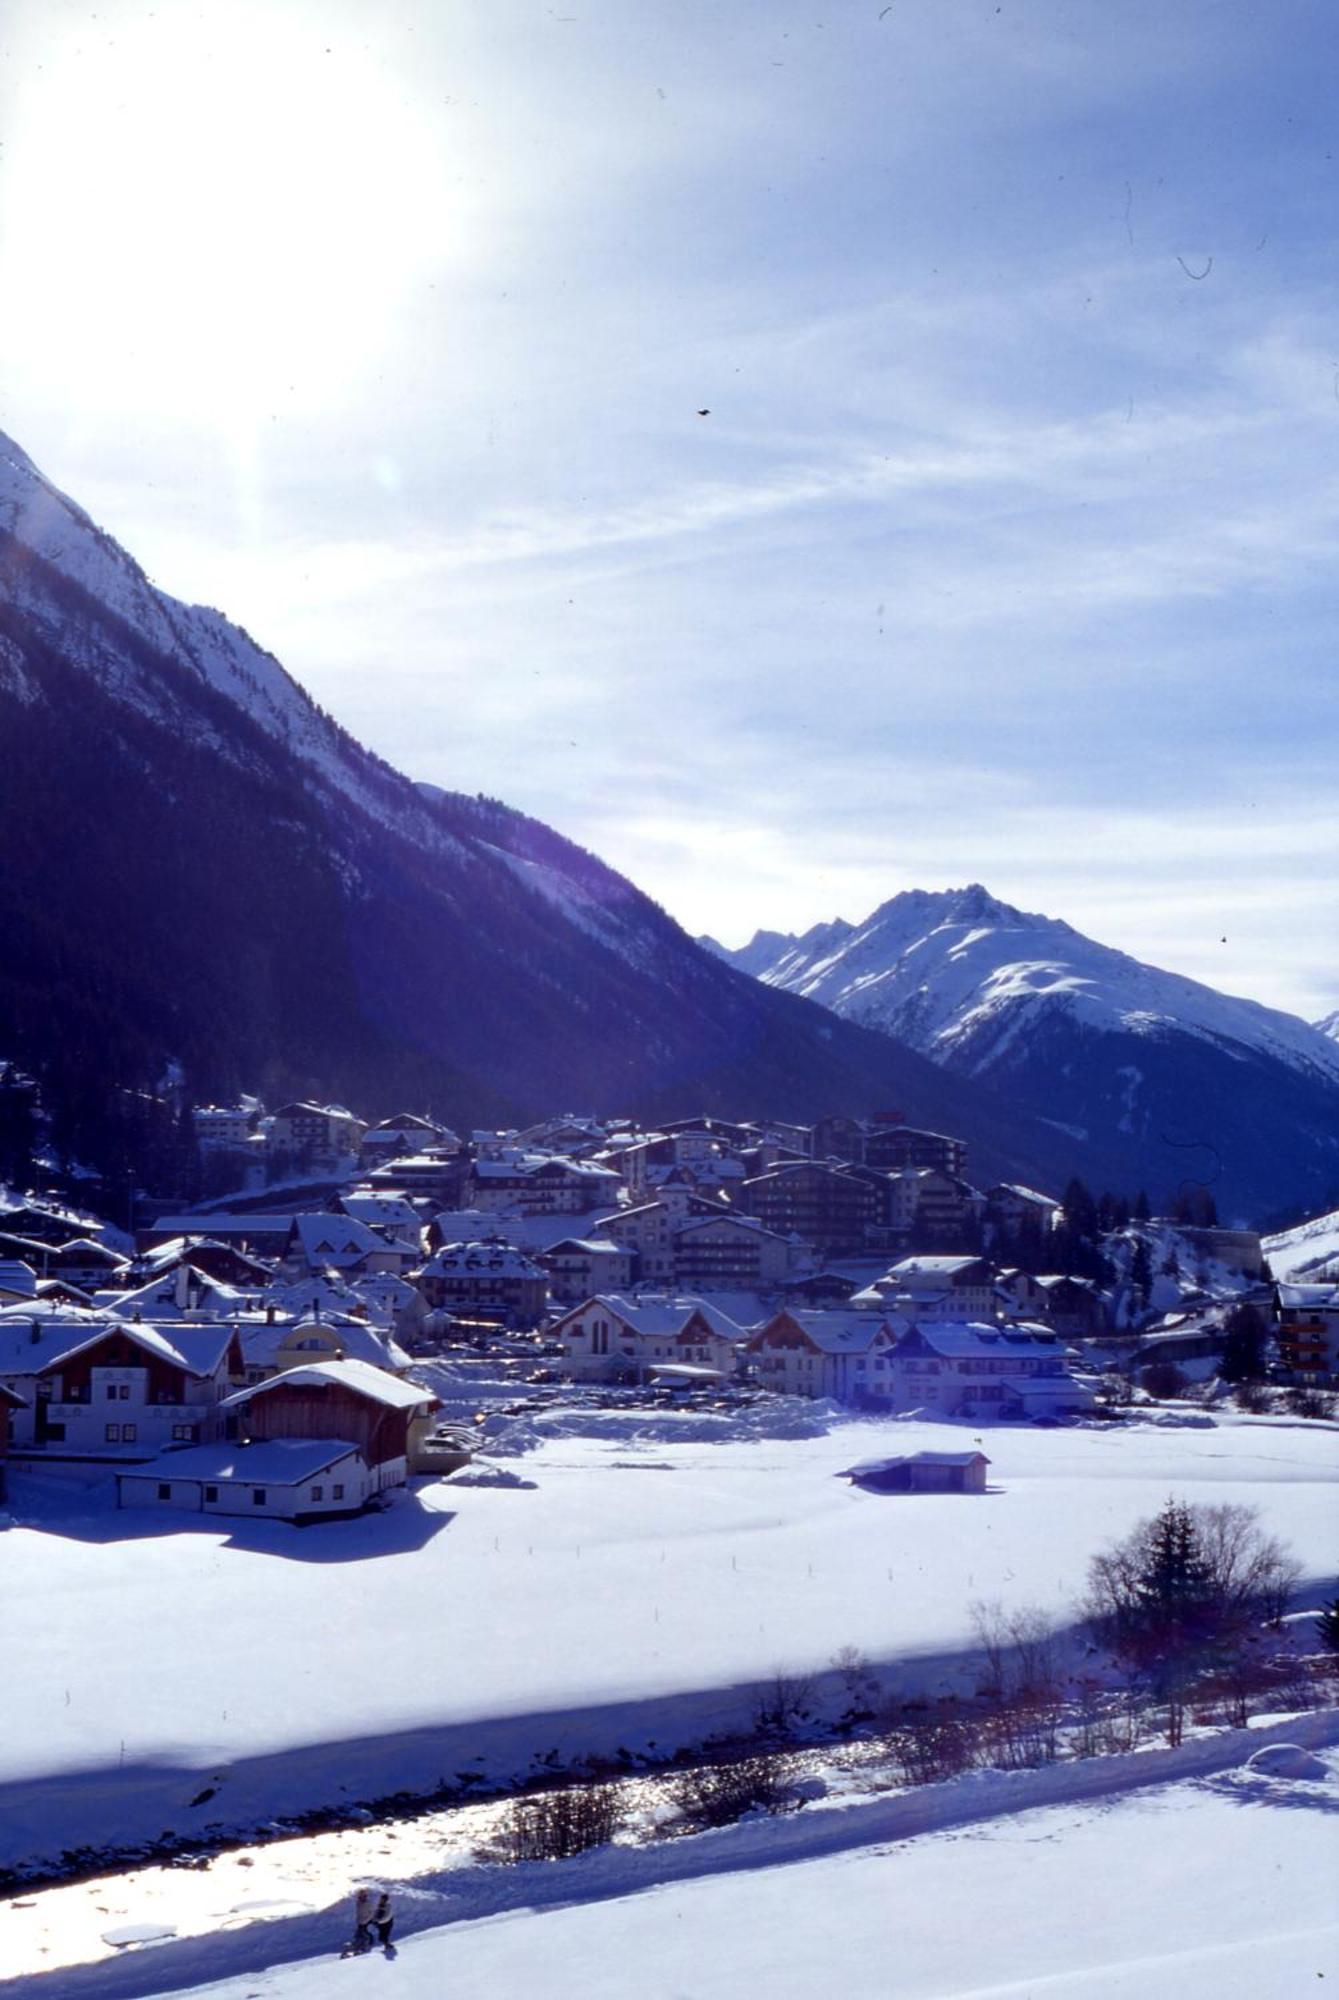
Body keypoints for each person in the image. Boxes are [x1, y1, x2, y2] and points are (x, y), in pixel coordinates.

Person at [345, 1887, 374, 1956]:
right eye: (360, 1896)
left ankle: (367, 1942)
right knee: (360, 1932)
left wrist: (366, 1920)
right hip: (360, 1920)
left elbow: (371, 1913)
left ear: (365, 1896)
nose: (360, 1897)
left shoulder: (368, 1903)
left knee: (364, 1932)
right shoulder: (358, 1902)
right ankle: (358, 1943)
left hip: (366, 1920)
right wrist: (358, 1919)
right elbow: (358, 1912)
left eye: (362, 1896)